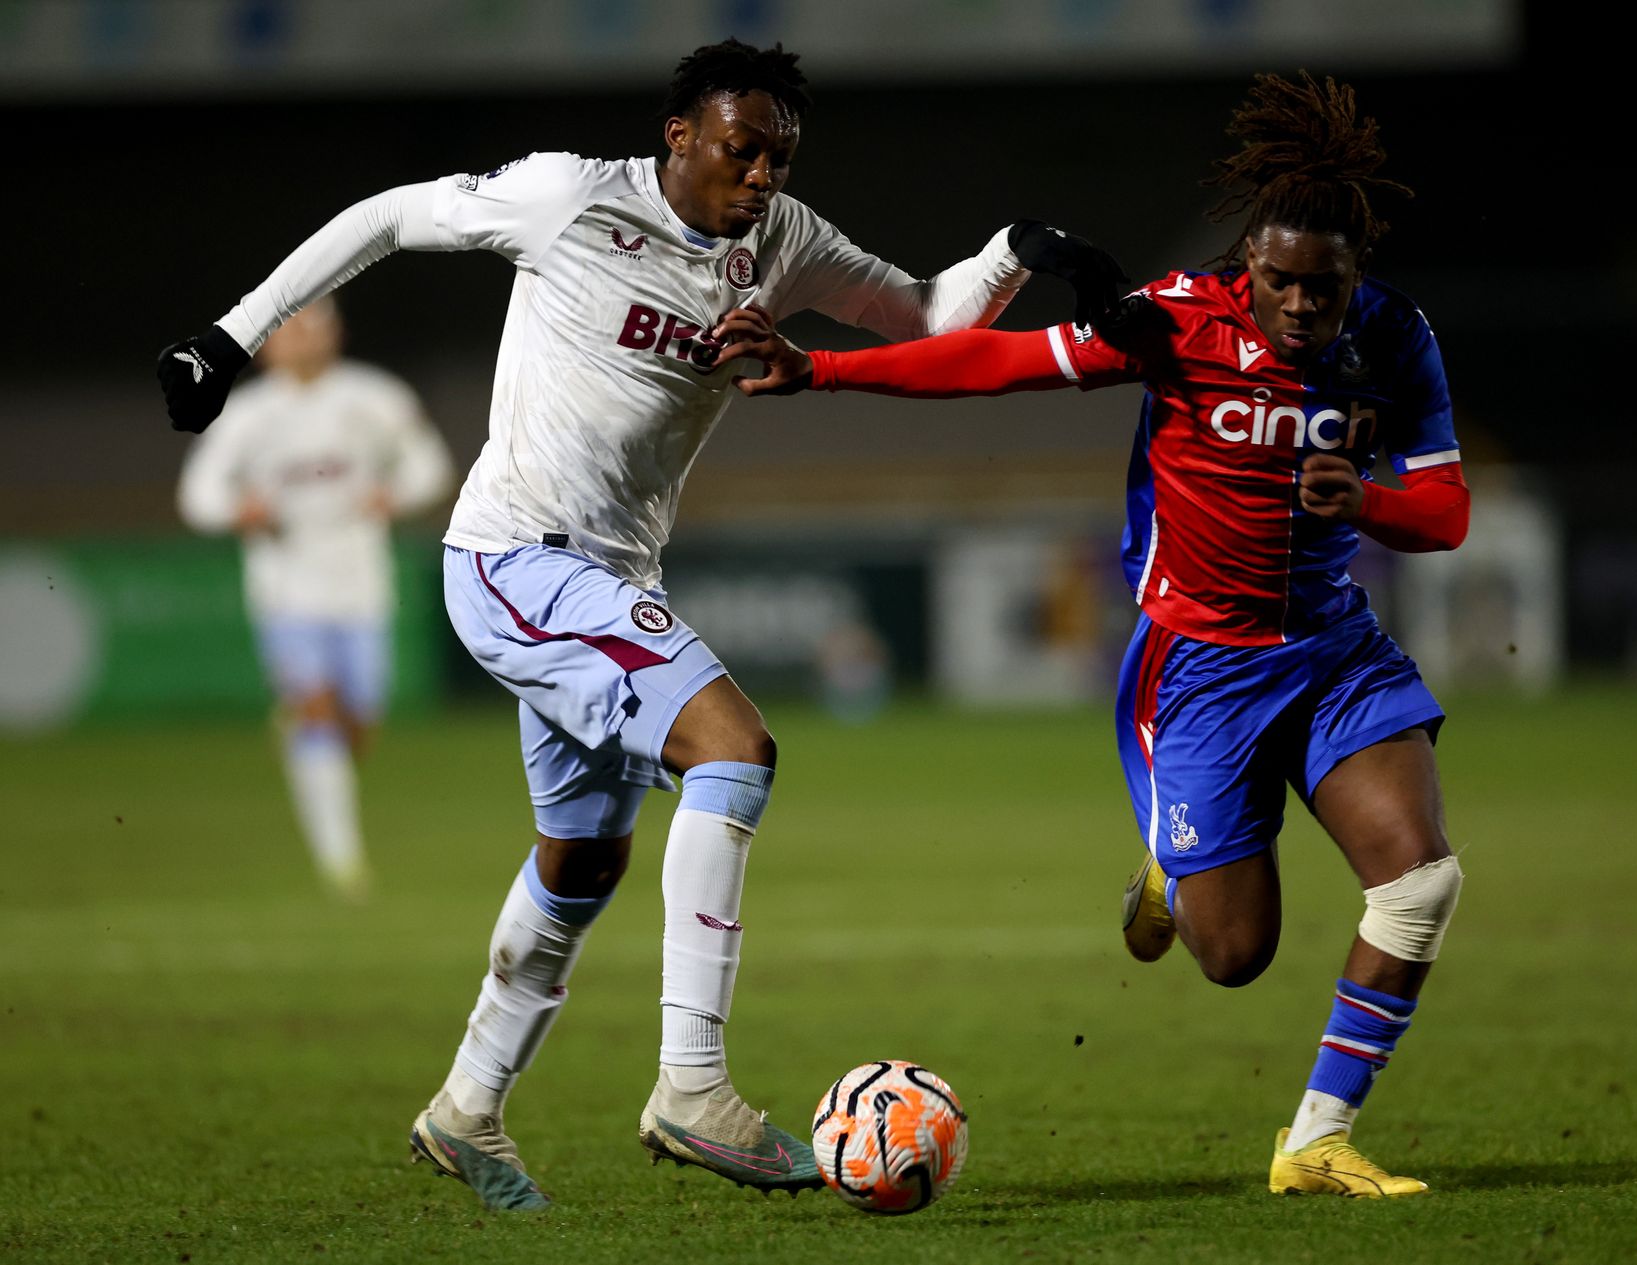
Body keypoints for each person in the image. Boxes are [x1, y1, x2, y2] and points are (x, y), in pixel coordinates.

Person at [155, 39, 1124, 1211]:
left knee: (582, 861)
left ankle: (467, 1105)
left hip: (603, 572)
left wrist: (1020, 251)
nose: (761, 174)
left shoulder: (785, 242)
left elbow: (919, 313)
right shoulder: (569, 198)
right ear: (680, 135)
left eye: (778, 155)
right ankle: (691, 1085)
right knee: (735, 748)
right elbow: (390, 214)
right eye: (740, 148)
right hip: (518, 557)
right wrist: (230, 334)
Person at [726, 71, 1470, 1198]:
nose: (1302, 306)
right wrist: (823, 369)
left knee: (1419, 883)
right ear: (1248, 266)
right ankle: (1174, 868)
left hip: (1333, 653)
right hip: (1201, 668)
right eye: (1279, 283)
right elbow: (999, 360)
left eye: (1324, 287)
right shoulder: (1181, 318)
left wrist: (1363, 501)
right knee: (1235, 955)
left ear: (1354, 274)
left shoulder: (1396, 338)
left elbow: (1445, 511)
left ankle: (1315, 1136)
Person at [176, 296, 453, 903]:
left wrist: (396, 495)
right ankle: (342, 862)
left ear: (335, 334)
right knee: (320, 716)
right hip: (286, 589)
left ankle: (302, 734)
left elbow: (430, 466)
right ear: (268, 343)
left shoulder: (375, 397)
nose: (300, 340)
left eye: (311, 327)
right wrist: (236, 510)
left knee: (358, 723)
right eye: (289, 330)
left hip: (360, 585)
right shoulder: (244, 416)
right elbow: (198, 495)